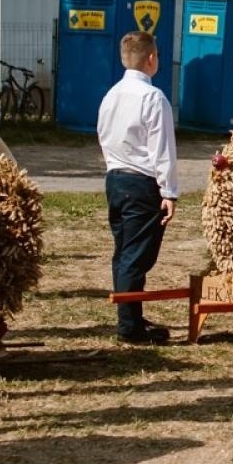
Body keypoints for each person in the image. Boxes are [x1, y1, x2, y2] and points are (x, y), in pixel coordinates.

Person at [97, 31, 179, 344]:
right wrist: (168, 190)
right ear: (152, 58)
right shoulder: (153, 97)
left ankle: (130, 315)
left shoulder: (112, 94)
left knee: (123, 252)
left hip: (116, 177)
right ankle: (129, 326)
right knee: (136, 256)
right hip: (142, 181)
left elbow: (104, 135)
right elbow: (162, 148)